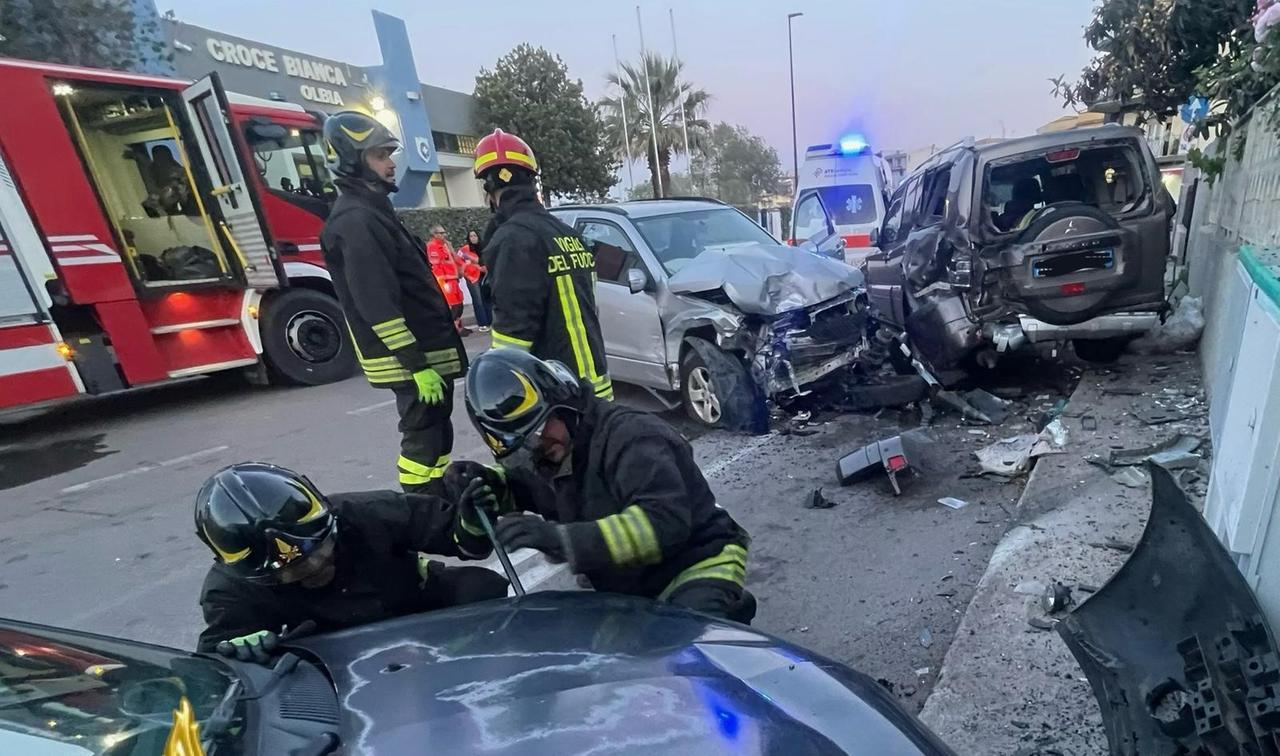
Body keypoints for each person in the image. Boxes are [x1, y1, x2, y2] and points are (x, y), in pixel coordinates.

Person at [454, 348, 755, 623]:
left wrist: (561, 539)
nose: (537, 451)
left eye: (538, 435)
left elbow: (663, 524)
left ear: (564, 405)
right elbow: (524, 486)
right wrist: (489, 485)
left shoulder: (632, 437)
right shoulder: (550, 452)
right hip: (629, 583)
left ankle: (723, 611)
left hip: (696, 563)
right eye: (521, 450)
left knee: (686, 657)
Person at [195, 462, 508, 660]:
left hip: (411, 605)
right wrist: (235, 653)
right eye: (294, 571)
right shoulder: (230, 589)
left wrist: (471, 525)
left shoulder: (370, 511)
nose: (316, 567)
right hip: (326, 650)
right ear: (257, 576)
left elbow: (460, 538)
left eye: (320, 550)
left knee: (485, 588)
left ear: (329, 521)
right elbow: (215, 664)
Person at [320, 111, 466, 494]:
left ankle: (439, 502)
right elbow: (376, 302)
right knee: (422, 437)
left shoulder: (373, 212)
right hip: (411, 362)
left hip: (423, 357)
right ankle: (422, 509)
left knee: (436, 434)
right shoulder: (356, 221)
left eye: (389, 153)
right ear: (352, 160)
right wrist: (416, 366)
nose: (391, 163)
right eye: (380, 155)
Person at [472, 129, 612, 401]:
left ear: (489, 188)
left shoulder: (513, 239)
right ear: (531, 182)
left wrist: (503, 391)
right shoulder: (567, 234)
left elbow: (512, 336)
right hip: (596, 385)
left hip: (556, 394)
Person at [426, 225, 469, 336]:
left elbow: (455, 260)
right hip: (445, 281)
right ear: (435, 235)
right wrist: (443, 280)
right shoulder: (432, 247)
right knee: (453, 305)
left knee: (459, 303)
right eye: (441, 233)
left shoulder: (446, 245)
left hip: (453, 279)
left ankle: (459, 327)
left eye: (444, 232)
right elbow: (435, 266)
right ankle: (453, 329)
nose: (444, 235)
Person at [457, 229, 491, 333]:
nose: (473, 238)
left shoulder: (484, 248)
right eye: (471, 236)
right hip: (472, 277)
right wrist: (477, 267)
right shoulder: (464, 250)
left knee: (486, 298)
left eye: (475, 236)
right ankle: (482, 323)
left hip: (483, 276)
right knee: (478, 300)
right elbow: (459, 262)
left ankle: (490, 321)